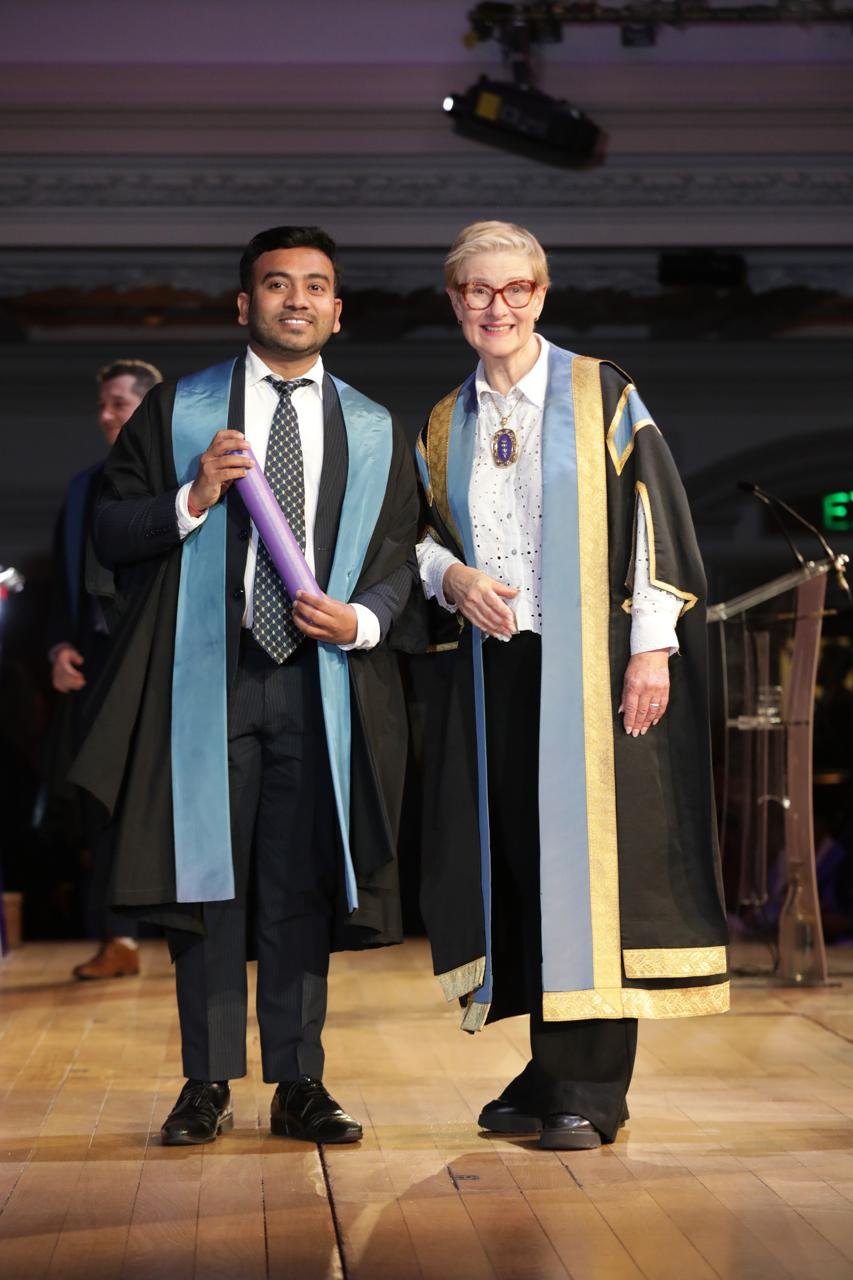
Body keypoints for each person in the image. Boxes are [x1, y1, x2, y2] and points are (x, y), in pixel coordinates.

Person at [70, 226, 419, 1146]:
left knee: (300, 882)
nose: (296, 299)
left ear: (337, 311)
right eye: (276, 284)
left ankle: (300, 1081)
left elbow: (398, 557)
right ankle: (206, 1080)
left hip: (319, 685)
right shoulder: (180, 411)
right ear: (243, 304)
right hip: (206, 681)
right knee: (206, 882)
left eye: (315, 286)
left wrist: (363, 618)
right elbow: (110, 530)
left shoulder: (374, 427)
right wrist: (191, 498)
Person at [414, 221, 729, 1151]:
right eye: (477, 291)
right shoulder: (444, 421)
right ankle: (549, 1066)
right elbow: (417, 536)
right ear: (455, 302)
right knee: (522, 860)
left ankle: (590, 1088)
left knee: (593, 871)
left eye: (514, 289)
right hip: (496, 667)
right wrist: (450, 578)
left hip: (594, 663)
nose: (496, 307)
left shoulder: (598, 391)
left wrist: (650, 650)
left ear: (540, 295)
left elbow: (655, 515)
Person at [46, 358, 163, 979]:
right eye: (102, 405)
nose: (107, 415)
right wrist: (59, 647)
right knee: (98, 794)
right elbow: (61, 581)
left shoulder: (182, 477)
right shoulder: (82, 487)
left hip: (164, 659)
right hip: (98, 659)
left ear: (149, 407)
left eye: (119, 402)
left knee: (167, 798)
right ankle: (118, 938)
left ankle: (203, 937)